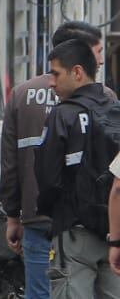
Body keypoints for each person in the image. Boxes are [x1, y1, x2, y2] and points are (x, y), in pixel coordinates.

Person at [5, 21, 110, 299]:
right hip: (103, 223)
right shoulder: (109, 101)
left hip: (48, 220)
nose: (100, 59)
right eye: (97, 51)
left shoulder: (21, 94)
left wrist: (12, 213)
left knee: (44, 291)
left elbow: (12, 164)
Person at [35, 38, 120, 299]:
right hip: (115, 234)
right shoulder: (117, 111)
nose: (51, 82)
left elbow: (47, 178)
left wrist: (55, 214)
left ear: (78, 72)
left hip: (74, 233)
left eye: (55, 73)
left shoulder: (63, 115)